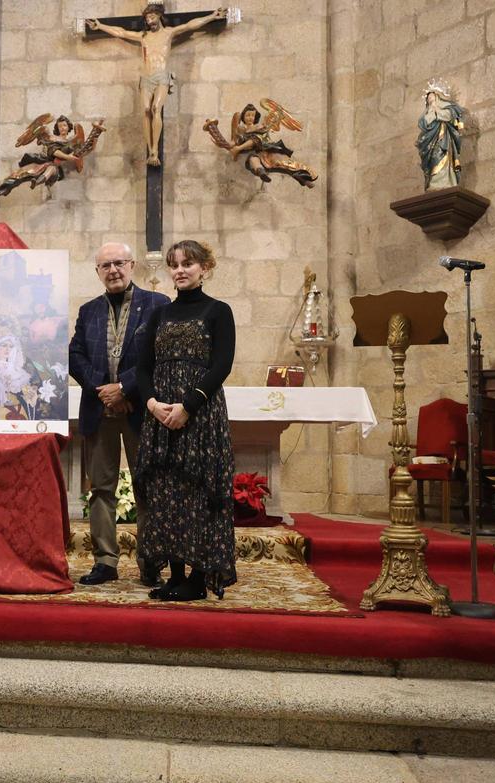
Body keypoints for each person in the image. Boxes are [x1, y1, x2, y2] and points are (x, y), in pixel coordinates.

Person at [134, 239, 236, 601]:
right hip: (160, 415)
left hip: (200, 415)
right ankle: (175, 575)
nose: (179, 270)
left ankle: (197, 578)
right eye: (174, 264)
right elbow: (143, 367)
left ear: (204, 268)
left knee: (197, 493)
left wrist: (188, 406)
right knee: (166, 495)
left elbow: (222, 364)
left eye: (187, 264)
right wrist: (151, 403)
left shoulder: (218, 311)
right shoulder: (159, 314)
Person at [69, 242, 169, 586]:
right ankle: (105, 562)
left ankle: (150, 562)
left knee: (147, 487)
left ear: (132, 265)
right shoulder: (88, 311)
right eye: (105, 265)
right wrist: (105, 391)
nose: (113, 270)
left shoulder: (157, 304)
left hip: (141, 409)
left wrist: (126, 389)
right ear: (98, 272)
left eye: (119, 263)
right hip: (100, 409)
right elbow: (75, 356)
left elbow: (160, 356)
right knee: (101, 489)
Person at [86, 5, 227, 166]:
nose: (148, 19)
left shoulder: (168, 33)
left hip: (161, 76)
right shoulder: (143, 36)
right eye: (146, 17)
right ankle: (151, 150)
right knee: (146, 110)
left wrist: (211, 16)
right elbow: (122, 32)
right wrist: (101, 26)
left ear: (159, 15)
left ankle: (155, 150)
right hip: (146, 77)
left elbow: (189, 25)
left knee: (155, 108)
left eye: (151, 16)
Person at [227, 103, 318, 188]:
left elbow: (259, 135)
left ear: (255, 117)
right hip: (258, 153)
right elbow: (235, 139)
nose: (250, 118)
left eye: (252, 115)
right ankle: (261, 172)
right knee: (252, 159)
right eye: (248, 115)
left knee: (286, 165)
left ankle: (305, 180)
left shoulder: (258, 127)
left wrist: (272, 120)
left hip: (269, 150)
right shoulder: (242, 129)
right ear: (243, 116)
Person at [416, 83, 465, 190]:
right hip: (431, 141)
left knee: (442, 155)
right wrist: (431, 112)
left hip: (444, 139)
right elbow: (424, 123)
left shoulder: (447, 108)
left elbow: (449, 116)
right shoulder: (428, 112)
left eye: (431, 97)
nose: (429, 99)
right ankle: (434, 182)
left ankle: (446, 181)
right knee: (434, 158)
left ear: (438, 96)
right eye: (428, 98)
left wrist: (436, 112)